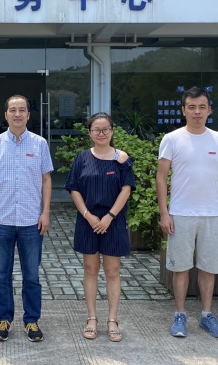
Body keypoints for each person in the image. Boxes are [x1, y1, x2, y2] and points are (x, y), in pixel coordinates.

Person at [156, 87, 218, 338]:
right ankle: (180, 315)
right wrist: (164, 213)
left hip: (212, 214)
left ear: (209, 110)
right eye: (191, 107)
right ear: (183, 110)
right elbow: (161, 177)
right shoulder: (171, 139)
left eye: (202, 107)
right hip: (180, 213)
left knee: (208, 267)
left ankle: (206, 315)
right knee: (180, 268)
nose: (197, 111)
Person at [0, 94, 53, 342]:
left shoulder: (40, 144)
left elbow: (46, 179)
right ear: (6, 115)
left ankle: (31, 321)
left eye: (22, 110)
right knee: (2, 275)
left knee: (31, 276)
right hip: (1, 220)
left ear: (29, 115)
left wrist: (45, 212)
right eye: (13, 110)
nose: (17, 114)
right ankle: (4, 319)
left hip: (31, 221)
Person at [65, 113, 135, 342]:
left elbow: (126, 189)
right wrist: (88, 215)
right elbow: (74, 188)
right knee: (90, 269)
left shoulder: (121, 159)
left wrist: (109, 217)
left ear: (112, 131)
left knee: (112, 271)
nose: (101, 133)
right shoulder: (82, 158)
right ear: (90, 133)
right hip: (88, 222)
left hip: (113, 222)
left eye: (105, 129)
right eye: (96, 130)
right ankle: (92, 318)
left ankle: (112, 320)